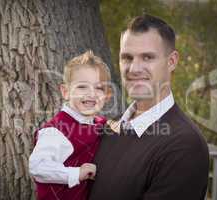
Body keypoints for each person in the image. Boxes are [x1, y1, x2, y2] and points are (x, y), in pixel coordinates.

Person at [89, 14, 209, 200]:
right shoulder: (110, 127)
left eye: (147, 57)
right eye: (127, 58)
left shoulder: (185, 146)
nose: (134, 68)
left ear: (171, 62)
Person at [29, 50, 111, 200]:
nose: (91, 93)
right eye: (82, 87)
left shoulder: (99, 124)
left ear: (106, 96)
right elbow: (37, 166)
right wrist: (75, 173)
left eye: (99, 88)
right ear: (66, 92)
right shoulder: (56, 131)